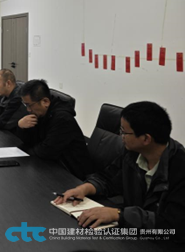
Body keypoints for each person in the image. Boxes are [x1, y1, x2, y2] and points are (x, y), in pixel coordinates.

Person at [54, 102, 185, 240]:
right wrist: (84, 188)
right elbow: (109, 178)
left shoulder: (179, 169)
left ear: (146, 139)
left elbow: (173, 225)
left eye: (124, 131)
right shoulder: (133, 153)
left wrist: (118, 214)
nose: (120, 135)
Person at [15, 79, 92, 180]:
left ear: (45, 102)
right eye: (25, 105)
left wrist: (28, 150)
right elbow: (31, 141)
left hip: (72, 174)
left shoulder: (62, 119)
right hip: (53, 166)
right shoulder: (41, 113)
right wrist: (21, 127)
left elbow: (45, 151)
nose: (28, 109)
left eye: (29, 105)